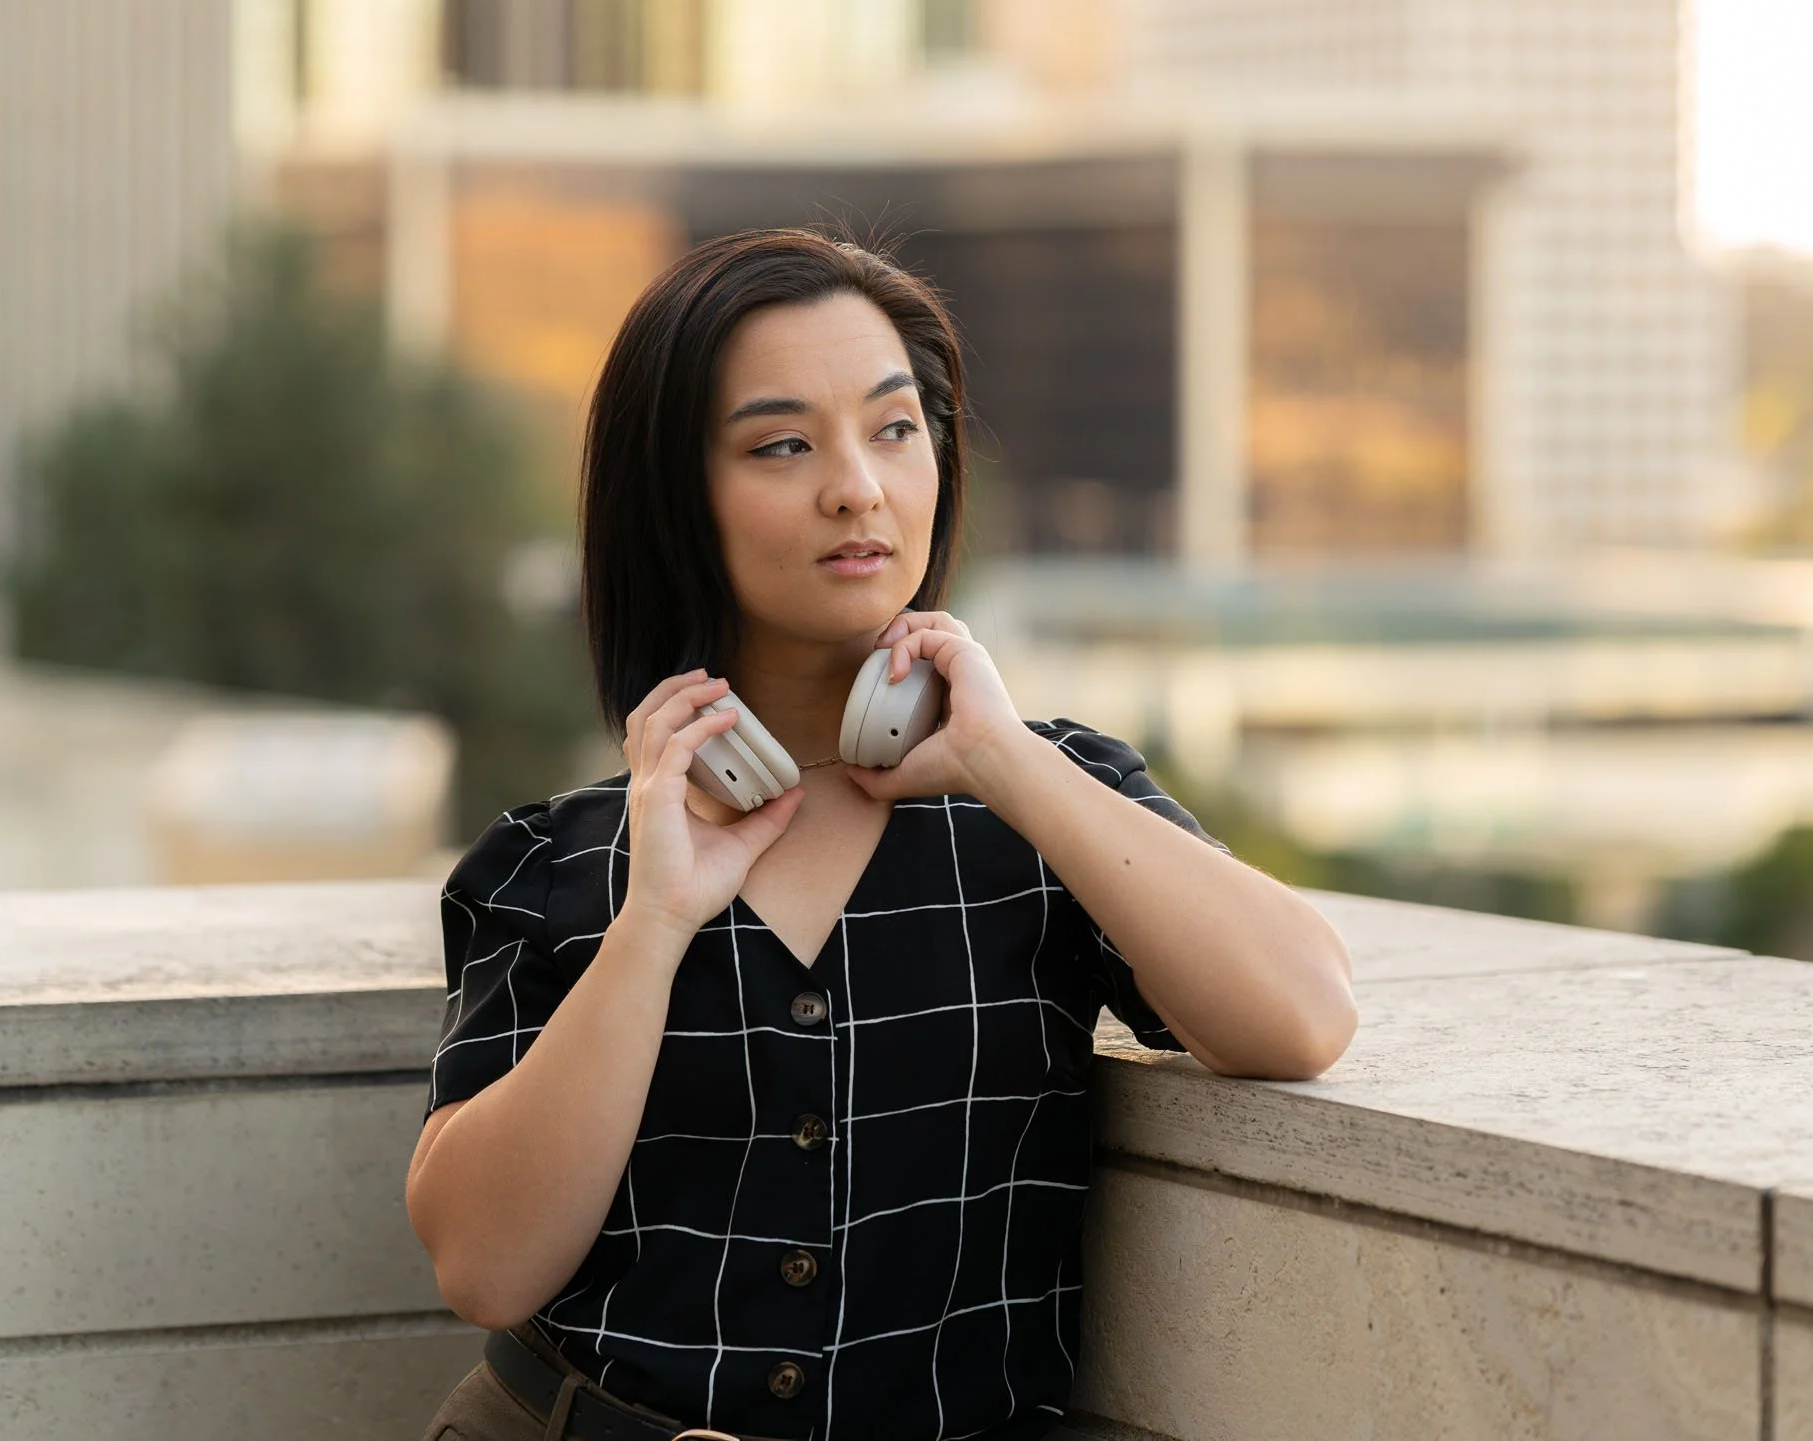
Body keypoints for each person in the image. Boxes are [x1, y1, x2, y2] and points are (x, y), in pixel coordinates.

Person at [406, 228, 1356, 1441]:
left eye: (895, 428)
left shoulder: (1043, 808)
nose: (857, 485)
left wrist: (1007, 758)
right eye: (782, 443)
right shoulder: (564, 861)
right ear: (676, 497)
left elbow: (1305, 1013)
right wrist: (653, 926)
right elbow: (483, 1267)